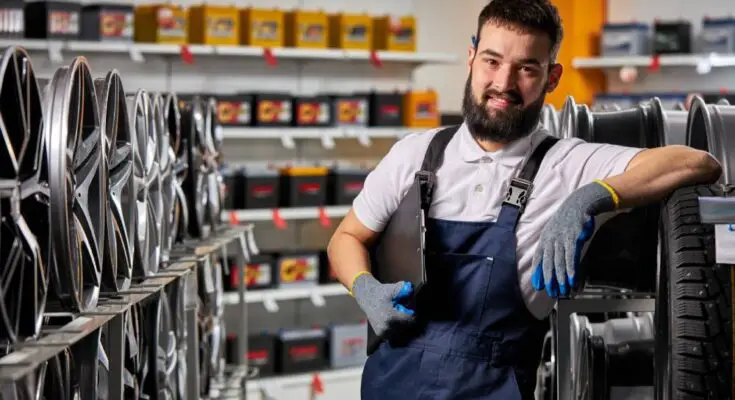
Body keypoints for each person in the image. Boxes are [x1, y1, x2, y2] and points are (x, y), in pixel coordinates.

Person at [326, 0, 723, 398]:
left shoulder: (566, 163)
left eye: (526, 68)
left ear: (552, 78)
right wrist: (364, 288)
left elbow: (695, 162)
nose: (504, 82)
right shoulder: (414, 154)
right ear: (471, 58)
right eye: (492, 61)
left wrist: (594, 195)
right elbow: (346, 239)